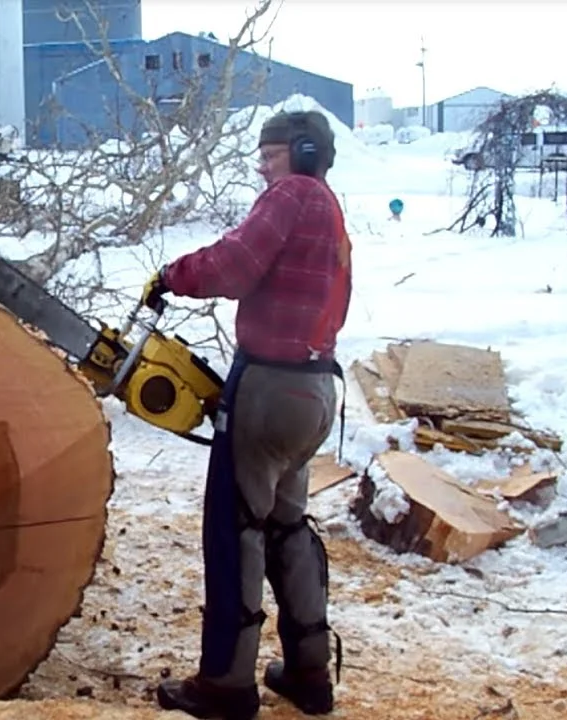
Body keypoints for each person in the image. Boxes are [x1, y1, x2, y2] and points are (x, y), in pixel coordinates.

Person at [142, 110, 352, 720]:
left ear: (305, 152)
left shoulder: (291, 195)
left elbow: (233, 265)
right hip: (315, 389)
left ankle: (226, 684)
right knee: (288, 527)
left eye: (272, 152)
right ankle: (310, 675)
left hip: (269, 387)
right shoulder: (331, 211)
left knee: (236, 530)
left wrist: (170, 276)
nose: (262, 165)